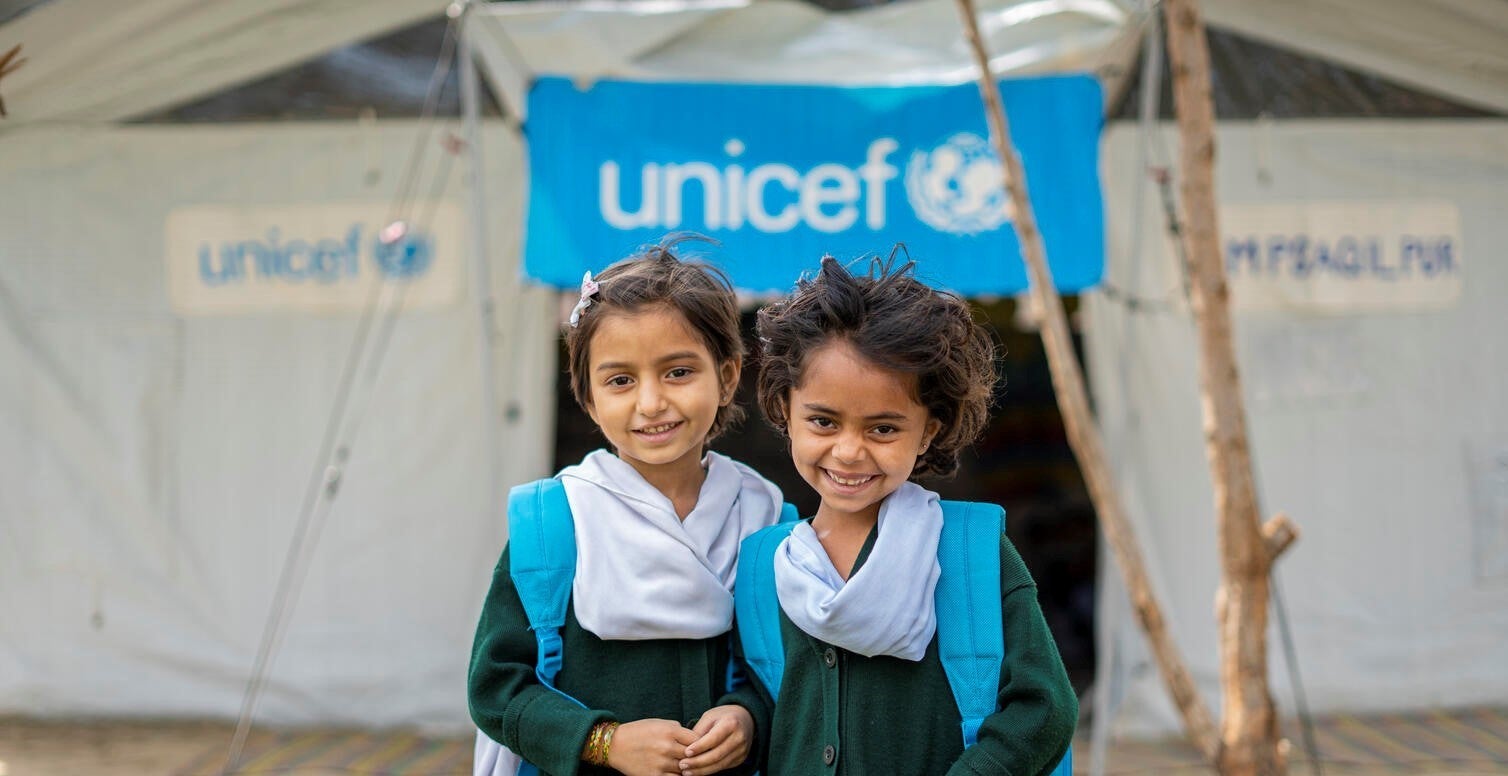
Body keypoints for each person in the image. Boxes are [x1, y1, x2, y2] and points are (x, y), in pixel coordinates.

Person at [740, 255, 1077, 775]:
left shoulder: (971, 553)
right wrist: (737, 718)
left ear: (929, 431)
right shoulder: (765, 564)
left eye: (882, 429)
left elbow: (1046, 707)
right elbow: (771, 700)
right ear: (787, 409)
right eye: (824, 422)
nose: (849, 452)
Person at [468, 239, 782, 776]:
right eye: (620, 381)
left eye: (678, 372)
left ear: (727, 377)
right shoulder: (553, 525)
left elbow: (791, 672)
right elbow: (496, 688)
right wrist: (603, 741)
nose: (651, 402)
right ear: (588, 397)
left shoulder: (765, 523)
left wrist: (748, 716)